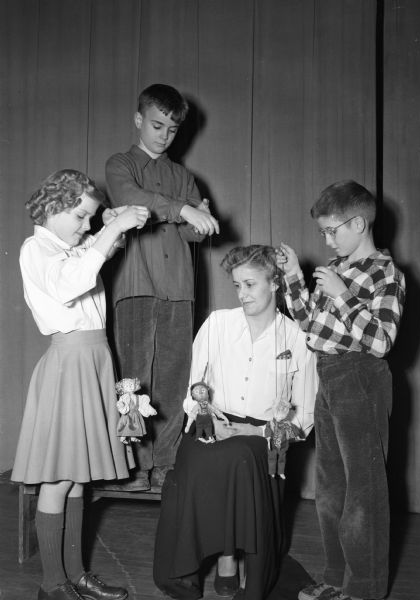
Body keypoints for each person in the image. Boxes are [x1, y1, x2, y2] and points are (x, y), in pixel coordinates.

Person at [11, 169, 149, 600]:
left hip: (94, 359)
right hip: (69, 362)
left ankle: (76, 574)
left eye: (89, 218)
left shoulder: (68, 247)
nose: (85, 225)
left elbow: (96, 252)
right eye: (79, 215)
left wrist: (113, 225)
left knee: (77, 479)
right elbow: (72, 283)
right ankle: (53, 584)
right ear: (53, 207)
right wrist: (112, 229)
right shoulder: (37, 248)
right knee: (58, 479)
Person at [153, 245, 317, 600]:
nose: (242, 294)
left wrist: (258, 430)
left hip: (265, 434)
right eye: (237, 286)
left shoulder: (299, 337)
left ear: (275, 283)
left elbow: (304, 419)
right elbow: (191, 393)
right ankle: (206, 565)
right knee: (194, 458)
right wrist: (208, 417)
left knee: (241, 457)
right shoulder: (217, 324)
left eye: (250, 284)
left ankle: (243, 567)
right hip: (215, 422)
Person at [277, 181, 406, 600]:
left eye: (333, 231)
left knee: (363, 491)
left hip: (361, 376)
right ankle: (336, 578)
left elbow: (382, 340)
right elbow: (309, 325)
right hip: (329, 373)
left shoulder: (385, 273)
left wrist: (345, 296)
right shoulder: (340, 269)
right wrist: (294, 276)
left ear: (359, 222)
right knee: (330, 487)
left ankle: (364, 589)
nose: (328, 240)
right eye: (323, 234)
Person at [105, 83, 219, 491]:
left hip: (179, 288)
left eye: (171, 130)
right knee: (133, 380)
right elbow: (133, 202)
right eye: (156, 125)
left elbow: (191, 234)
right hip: (135, 284)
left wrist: (197, 219)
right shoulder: (120, 164)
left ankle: (166, 465)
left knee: (173, 379)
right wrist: (183, 209)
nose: (164, 135)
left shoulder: (184, 176)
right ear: (139, 120)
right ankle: (134, 468)